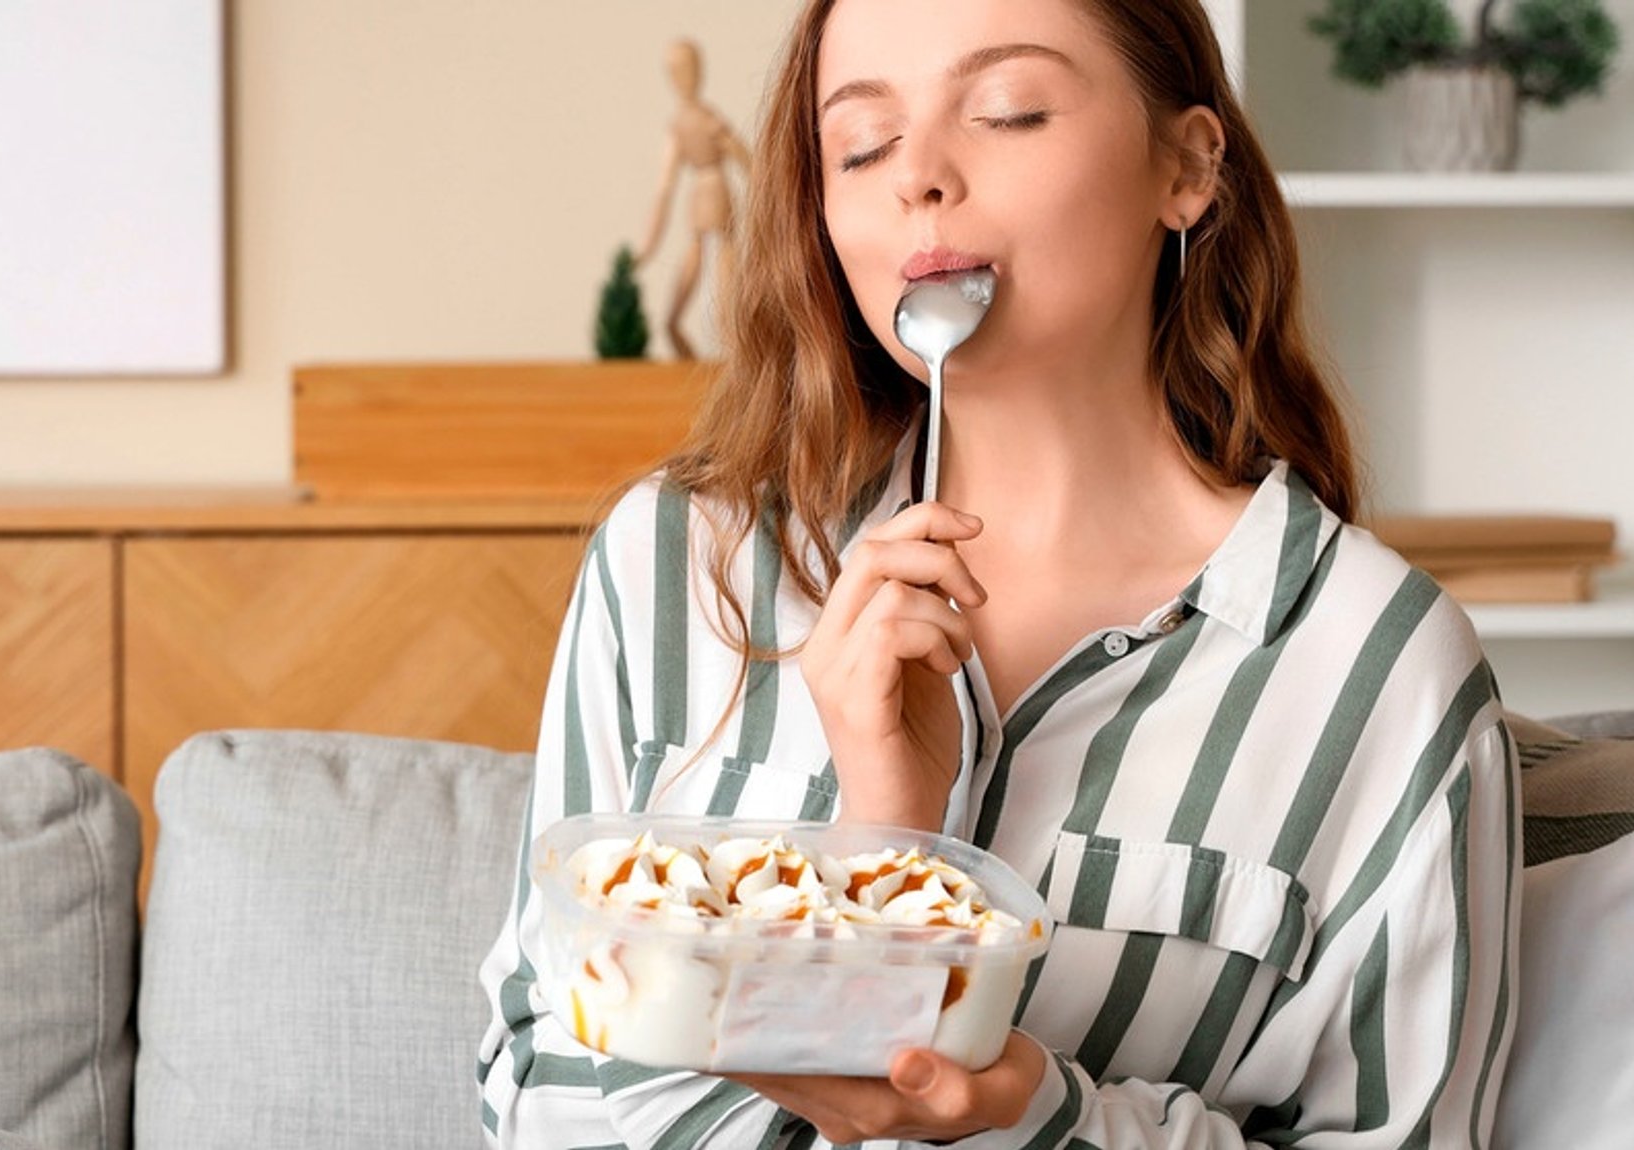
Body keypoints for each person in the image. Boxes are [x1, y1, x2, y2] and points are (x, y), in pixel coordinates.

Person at [480, 0, 1519, 1145]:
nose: (915, 176)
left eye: (1007, 112)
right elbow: (539, 1082)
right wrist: (874, 856)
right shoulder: (673, 566)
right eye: (860, 145)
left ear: (1185, 165)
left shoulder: (1379, 666)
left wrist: (1033, 1116)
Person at [635, 39, 754, 361]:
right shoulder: (704, 120)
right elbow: (747, 162)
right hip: (714, 191)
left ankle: (685, 327)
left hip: (703, 194)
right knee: (720, 258)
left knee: (708, 255)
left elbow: (665, 188)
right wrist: (647, 246)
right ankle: (723, 337)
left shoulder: (682, 125)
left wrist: (648, 246)